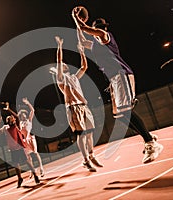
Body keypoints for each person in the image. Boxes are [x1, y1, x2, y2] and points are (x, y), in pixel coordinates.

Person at [72, 6, 163, 164]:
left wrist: (76, 19)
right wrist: (78, 25)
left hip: (122, 75)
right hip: (114, 79)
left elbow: (85, 29)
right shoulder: (96, 45)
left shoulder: (105, 36)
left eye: (97, 29)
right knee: (119, 116)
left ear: (99, 29)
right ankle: (148, 136)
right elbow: (81, 41)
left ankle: (150, 143)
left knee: (125, 112)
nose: (97, 31)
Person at [53, 36, 103, 172]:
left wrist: (81, 51)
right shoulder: (60, 78)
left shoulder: (74, 77)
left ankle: (91, 155)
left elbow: (84, 66)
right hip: (73, 107)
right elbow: (58, 60)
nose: (63, 64)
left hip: (83, 105)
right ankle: (85, 160)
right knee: (80, 134)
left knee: (90, 133)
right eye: (61, 65)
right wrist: (59, 46)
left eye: (64, 64)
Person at [0, 113, 40, 188]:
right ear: (7, 121)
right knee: (16, 165)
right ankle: (20, 178)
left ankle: (35, 175)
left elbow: (16, 117)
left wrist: (9, 111)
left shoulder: (16, 125)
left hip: (19, 148)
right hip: (13, 149)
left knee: (27, 161)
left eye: (11, 118)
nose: (11, 119)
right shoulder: (5, 127)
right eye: (9, 118)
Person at [4, 98, 45, 178]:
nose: (22, 115)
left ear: (25, 115)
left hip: (30, 138)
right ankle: (32, 170)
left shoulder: (29, 120)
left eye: (23, 114)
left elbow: (32, 111)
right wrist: (8, 109)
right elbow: (15, 117)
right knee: (28, 157)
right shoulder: (20, 123)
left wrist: (28, 103)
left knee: (35, 153)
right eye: (21, 115)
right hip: (24, 141)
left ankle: (41, 168)